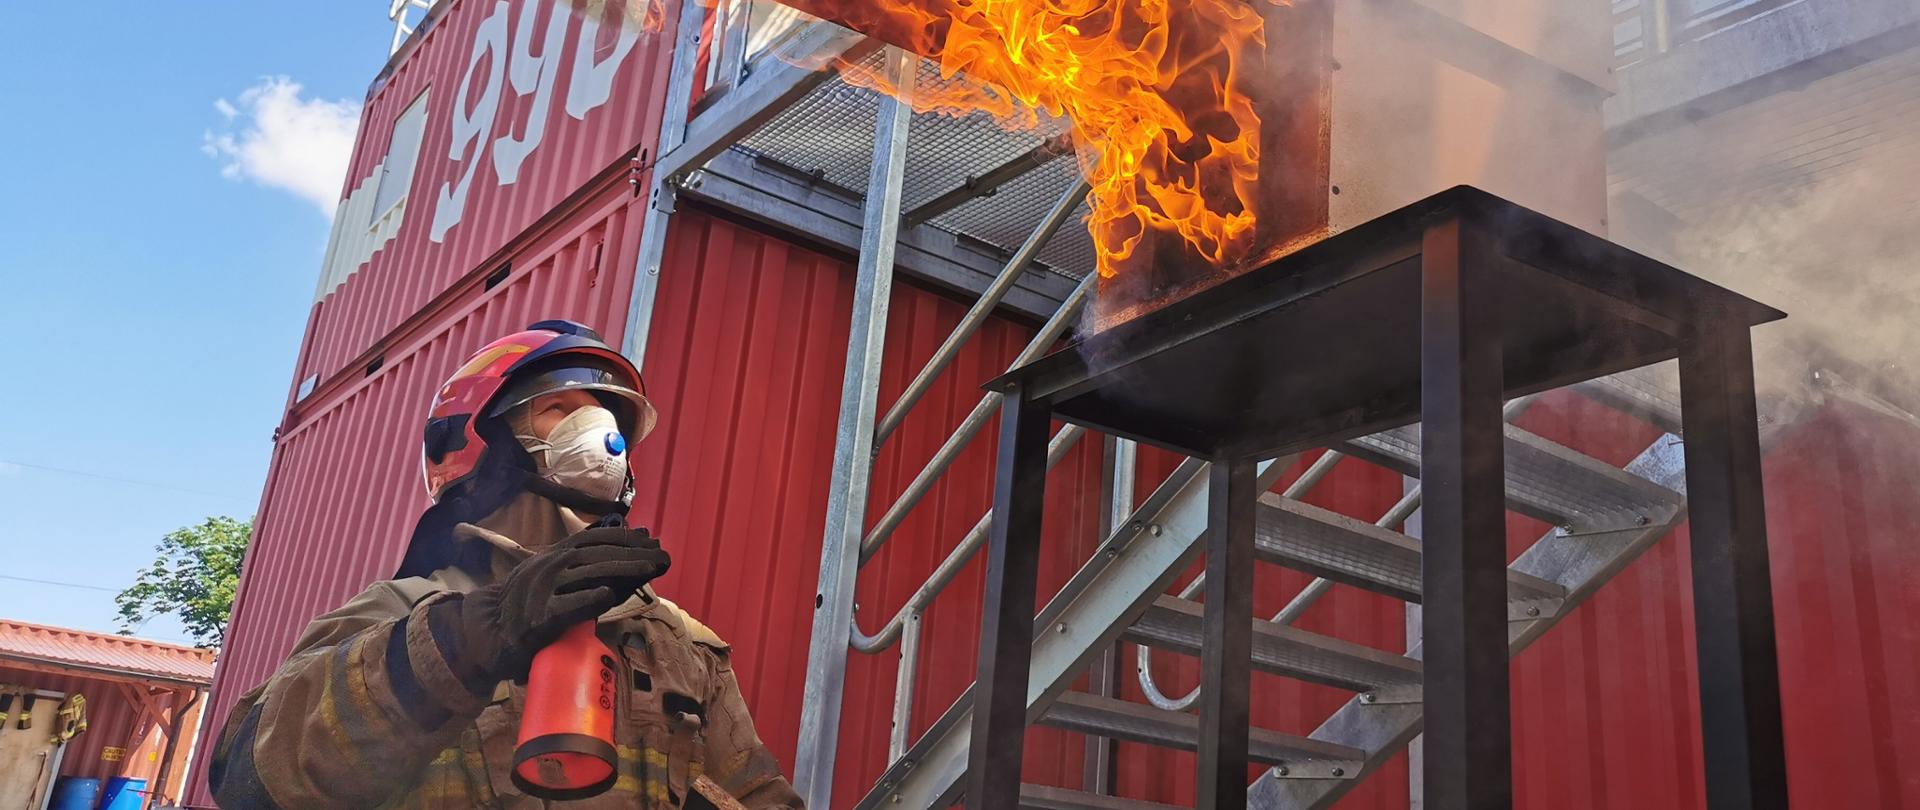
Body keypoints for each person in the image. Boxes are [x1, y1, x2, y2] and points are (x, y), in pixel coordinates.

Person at [210, 320, 801, 809]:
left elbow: (759, 796)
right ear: (484, 444)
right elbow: (252, 779)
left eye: (611, 420)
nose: (602, 436)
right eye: (559, 408)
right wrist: (478, 634)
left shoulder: (679, 644)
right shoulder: (402, 612)